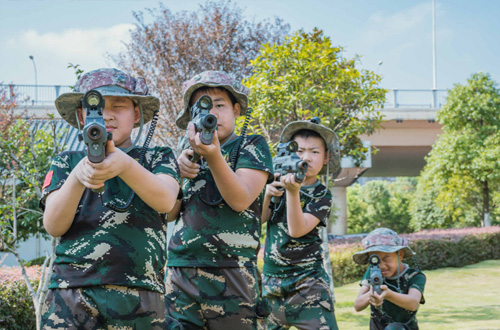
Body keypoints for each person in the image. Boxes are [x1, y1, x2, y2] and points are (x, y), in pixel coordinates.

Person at [40, 68, 181, 329]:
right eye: (96, 108)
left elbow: (166, 201)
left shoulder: (157, 157)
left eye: (119, 105)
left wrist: (125, 165)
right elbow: (53, 225)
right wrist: (76, 177)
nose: (107, 114)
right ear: (82, 116)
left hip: (140, 292)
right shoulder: (66, 161)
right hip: (71, 292)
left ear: (136, 113)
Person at [165, 70, 274, 329]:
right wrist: (177, 177)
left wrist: (213, 156)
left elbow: (240, 200)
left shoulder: (251, 146)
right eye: (202, 108)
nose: (211, 113)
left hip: (232, 269)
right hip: (182, 269)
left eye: (220, 105)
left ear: (236, 109)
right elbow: (169, 214)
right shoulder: (186, 153)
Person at [261, 118, 341, 330]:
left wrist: (293, 192)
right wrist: (267, 194)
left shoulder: (322, 194)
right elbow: (257, 220)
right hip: (271, 283)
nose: (306, 157)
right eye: (300, 150)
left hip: (308, 284)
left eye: (314, 152)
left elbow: (297, 230)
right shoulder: (274, 179)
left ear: (326, 158)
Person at [353, 228, 426, 330]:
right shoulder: (373, 271)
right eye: (375, 260)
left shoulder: (414, 276)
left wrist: (388, 294)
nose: (381, 266)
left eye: (386, 258)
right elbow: (357, 305)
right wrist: (371, 295)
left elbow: (413, 303)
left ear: (400, 254)